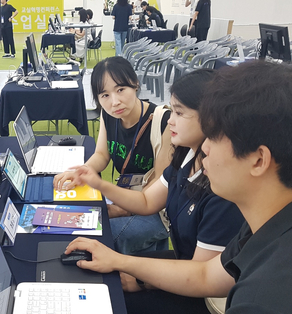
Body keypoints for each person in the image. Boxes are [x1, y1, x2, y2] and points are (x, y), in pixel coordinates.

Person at [65, 61, 292, 313]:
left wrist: (133, 273)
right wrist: (119, 260)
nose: (204, 148)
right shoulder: (279, 220)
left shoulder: (268, 298)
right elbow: (207, 274)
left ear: (259, 160)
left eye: (214, 137)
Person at [67, 69, 244, 313]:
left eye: (179, 113)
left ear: (212, 118)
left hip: (199, 294)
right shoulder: (186, 157)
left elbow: (202, 278)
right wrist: (96, 183)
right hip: (185, 268)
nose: (170, 120)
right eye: (172, 111)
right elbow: (146, 201)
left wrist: (136, 275)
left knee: (107, 297)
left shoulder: (222, 188)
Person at [54, 56, 172, 256]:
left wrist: (122, 210)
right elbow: (102, 154)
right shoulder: (109, 114)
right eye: (104, 95)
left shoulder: (163, 122)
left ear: (135, 84)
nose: (114, 102)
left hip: (157, 210)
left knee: (103, 235)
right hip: (126, 195)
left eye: (120, 90)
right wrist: (83, 171)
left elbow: (158, 190)